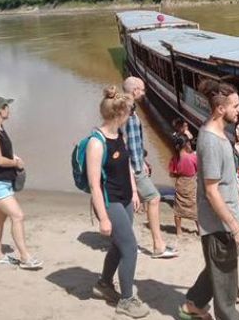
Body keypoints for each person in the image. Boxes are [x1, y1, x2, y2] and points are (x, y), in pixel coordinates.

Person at [180, 80, 239, 320]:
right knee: (226, 284)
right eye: (235, 105)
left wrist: (237, 188)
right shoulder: (211, 141)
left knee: (218, 271)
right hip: (219, 225)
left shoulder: (219, 132)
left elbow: (220, 175)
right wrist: (236, 228)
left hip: (224, 220)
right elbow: (211, 192)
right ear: (220, 109)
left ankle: (193, 305)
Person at [87, 86, 149, 318]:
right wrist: (103, 217)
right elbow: (95, 185)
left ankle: (103, 284)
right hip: (109, 201)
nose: (131, 116)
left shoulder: (118, 135)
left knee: (119, 245)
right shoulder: (97, 142)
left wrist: (134, 191)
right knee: (130, 248)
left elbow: (127, 167)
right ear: (119, 113)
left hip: (124, 197)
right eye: (130, 112)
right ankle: (126, 299)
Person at [0, 96, 42, 270]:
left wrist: (13, 157)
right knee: (18, 216)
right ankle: (25, 257)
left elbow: (2, 153)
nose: (9, 109)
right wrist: (16, 163)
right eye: (6, 106)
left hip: (1, 180)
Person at [122, 76, 178, 258]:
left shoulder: (128, 111)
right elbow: (126, 146)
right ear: (135, 90)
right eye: (143, 90)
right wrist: (134, 170)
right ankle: (158, 245)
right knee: (153, 198)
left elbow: (134, 144)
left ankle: (128, 242)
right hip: (133, 168)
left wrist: (143, 160)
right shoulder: (128, 115)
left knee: (130, 204)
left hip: (136, 165)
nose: (144, 93)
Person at [169, 134, 200, 237]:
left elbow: (172, 173)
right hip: (191, 184)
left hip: (180, 184)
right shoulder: (192, 157)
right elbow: (198, 169)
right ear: (187, 144)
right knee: (195, 208)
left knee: (178, 209)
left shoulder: (175, 158)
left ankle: (179, 231)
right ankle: (200, 230)